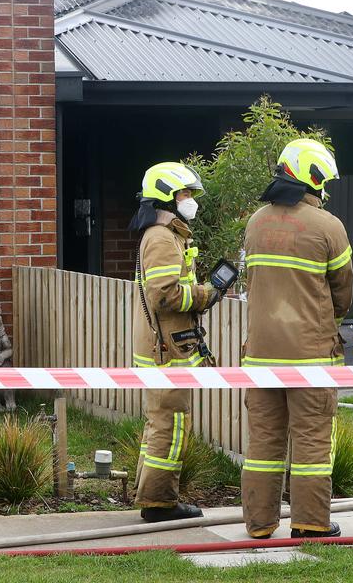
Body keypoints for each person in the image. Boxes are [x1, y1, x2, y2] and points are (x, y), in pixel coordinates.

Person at [240, 139, 353, 539]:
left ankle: (259, 524)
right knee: (311, 443)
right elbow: (343, 292)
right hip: (311, 359)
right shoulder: (328, 226)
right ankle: (309, 523)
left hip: (260, 357)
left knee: (264, 443)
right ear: (314, 178)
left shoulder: (255, 222)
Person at [130, 162, 219, 522]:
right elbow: (165, 295)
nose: (190, 201)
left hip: (166, 347)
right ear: (167, 196)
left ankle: (154, 497)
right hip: (165, 352)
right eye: (185, 194)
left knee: (161, 423)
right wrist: (205, 295)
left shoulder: (168, 234)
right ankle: (159, 504)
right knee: (170, 424)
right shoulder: (162, 238)